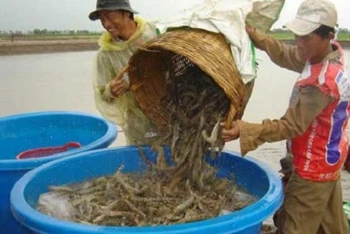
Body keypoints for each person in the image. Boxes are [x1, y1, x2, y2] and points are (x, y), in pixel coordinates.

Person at [222, 0, 350, 233]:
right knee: (331, 227)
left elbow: (291, 125)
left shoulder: (321, 83)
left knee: (294, 224)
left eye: (305, 37)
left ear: (327, 35)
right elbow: (286, 54)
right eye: (296, 34)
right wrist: (257, 37)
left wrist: (246, 129)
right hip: (330, 162)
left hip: (312, 170)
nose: (298, 42)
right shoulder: (328, 56)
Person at [89, 0, 160, 145]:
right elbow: (102, 94)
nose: (107, 24)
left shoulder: (154, 33)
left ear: (126, 12)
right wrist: (111, 90)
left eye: (109, 16)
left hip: (169, 117)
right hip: (138, 126)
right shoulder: (106, 54)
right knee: (143, 164)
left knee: (178, 159)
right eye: (102, 19)